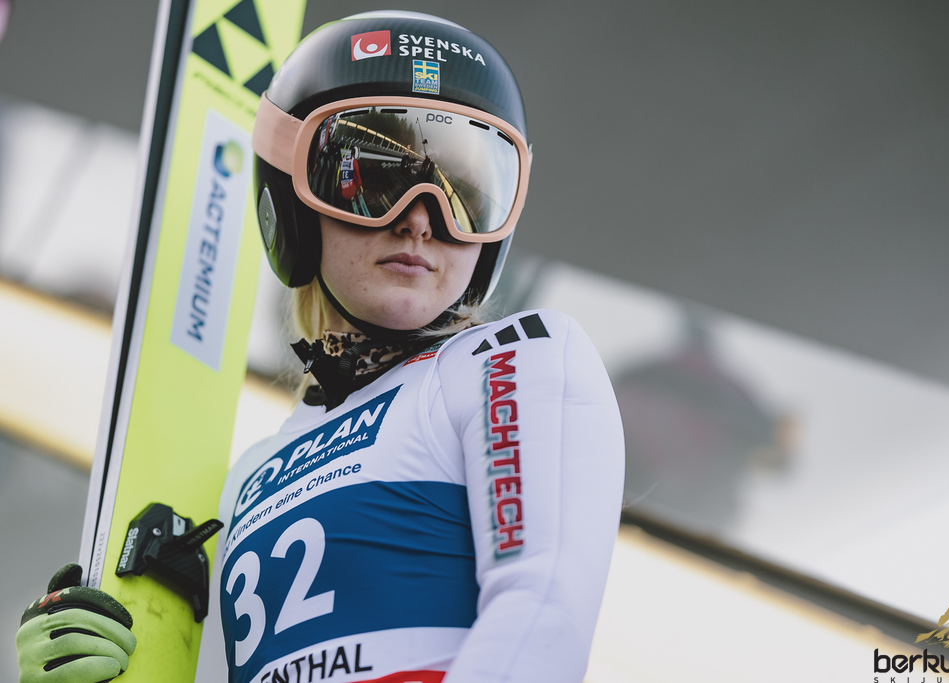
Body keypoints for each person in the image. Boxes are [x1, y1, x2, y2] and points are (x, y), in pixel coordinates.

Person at [15, 10, 624, 683]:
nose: (421, 220)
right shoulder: (248, 477)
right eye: (376, 181)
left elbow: (541, 612)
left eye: (464, 194)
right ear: (292, 200)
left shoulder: (512, 360)